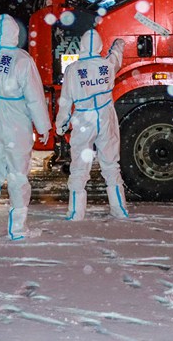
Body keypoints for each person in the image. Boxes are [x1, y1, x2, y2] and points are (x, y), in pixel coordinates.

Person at [0, 14, 51, 241]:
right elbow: (35, 98)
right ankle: (17, 229)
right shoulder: (21, 60)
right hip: (16, 123)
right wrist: (43, 126)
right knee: (18, 175)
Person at [55, 29, 128, 220]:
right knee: (111, 164)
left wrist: (61, 124)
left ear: (82, 46)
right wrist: (119, 42)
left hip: (83, 120)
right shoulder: (106, 65)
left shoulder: (72, 69)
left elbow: (65, 100)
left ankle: (75, 213)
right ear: (99, 46)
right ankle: (119, 209)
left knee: (79, 166)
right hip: (105, 117)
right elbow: (116, 56)